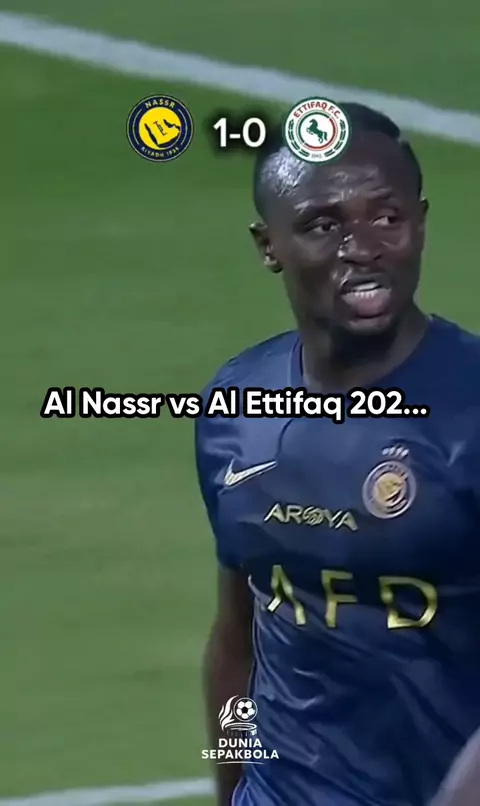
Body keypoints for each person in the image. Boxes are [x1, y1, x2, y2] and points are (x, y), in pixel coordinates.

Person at [195, 102, 480, 806]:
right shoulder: (237, 402)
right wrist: (232, 787)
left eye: (387, 217)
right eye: (325, 225)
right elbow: (239, 640)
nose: (363, 247)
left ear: (420, 222)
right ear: (269, 245)